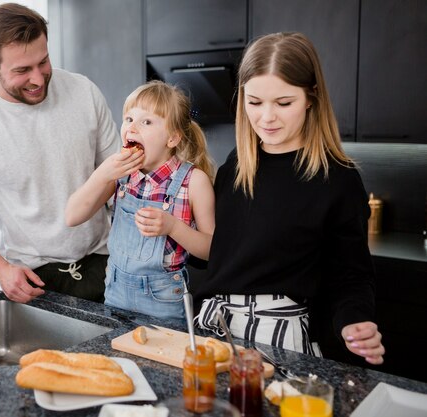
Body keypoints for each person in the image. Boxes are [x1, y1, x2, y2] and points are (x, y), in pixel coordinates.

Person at [194, 32, 385, 365]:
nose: (267, 117)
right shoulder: (235, 166)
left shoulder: (336, 179)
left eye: (284, 103)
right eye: (254, 102)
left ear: (311, 98)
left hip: (280, 342)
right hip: (214, 333)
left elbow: (351, 275)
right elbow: (216, 254)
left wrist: (354, 320)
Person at [0, 3, 119, 304]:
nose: (38, 79)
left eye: (44, 61)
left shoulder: (83, 92)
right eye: (22, 70)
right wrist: (1, 270)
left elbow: (119, 177)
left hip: (106, 264)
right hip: (31, 279)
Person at [66, 80, 216, 320]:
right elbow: (72, 216)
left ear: (173, 138)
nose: (133, 128)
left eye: (146, 122)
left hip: (164, 299)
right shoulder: (120, 172)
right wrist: (103, 173)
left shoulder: (193, 181)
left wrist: (173, 227)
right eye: (129, 119)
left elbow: (212, 249)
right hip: (115, 292)